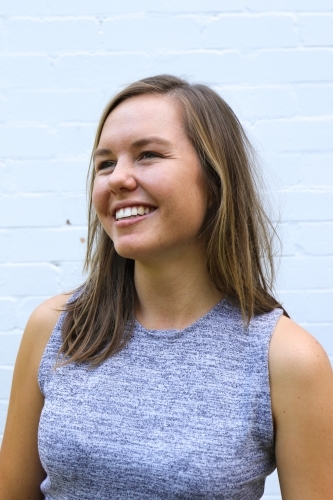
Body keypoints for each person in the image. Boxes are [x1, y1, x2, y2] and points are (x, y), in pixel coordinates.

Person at [0, 74, 332, 500]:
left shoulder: (286, 359)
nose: (117, 178)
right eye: (105, 163)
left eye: (148, 155)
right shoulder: (56, 328)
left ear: (215, 182)